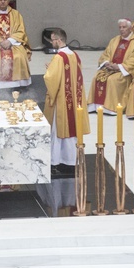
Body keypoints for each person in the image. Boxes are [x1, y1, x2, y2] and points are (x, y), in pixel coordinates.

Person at [43, 28, 88, 177]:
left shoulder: (59, 58)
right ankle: (71, 160)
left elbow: (52, 79)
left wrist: (48, 72)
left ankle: (57, 160)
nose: (51, 43)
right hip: (74, 101)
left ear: (58, 40)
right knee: (72, 129)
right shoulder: (74, 55)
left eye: (52, 40)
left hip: (62, 101)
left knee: (58, 130)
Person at [87, 19, 134, 115]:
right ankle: (96, 105)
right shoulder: (115, 40)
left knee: (112, 80)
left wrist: (119, 67)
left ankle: (111, 107)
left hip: (124, 71)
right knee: (96, 77)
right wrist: (107, 63)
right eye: (120, 27)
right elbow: (106, 54)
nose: (121, 29)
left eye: (124, 27)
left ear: (130, 28)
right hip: (110, 68)